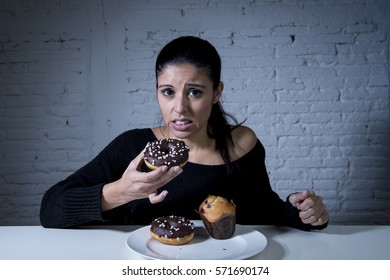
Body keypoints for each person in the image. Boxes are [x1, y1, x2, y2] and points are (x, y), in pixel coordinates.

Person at [40, 36, 329, 230]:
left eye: (194, 92)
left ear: (216, 92)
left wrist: (304, 212)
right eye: (168, 92)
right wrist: (121, 191)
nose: (180, 107)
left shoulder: (241, 143)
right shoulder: (134, 147)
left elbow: (264, 211)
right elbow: (51, 209)